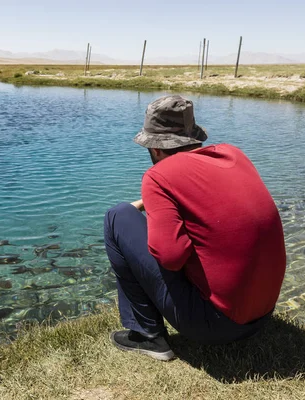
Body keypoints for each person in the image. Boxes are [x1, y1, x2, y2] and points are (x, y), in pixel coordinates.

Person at [104, 95, 286, 361]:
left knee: (117, 216)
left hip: (216, 326)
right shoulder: (234, 155)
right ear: (195, 137)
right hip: (262, 314)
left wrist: (147, 206)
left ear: (155, 149)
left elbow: (171, 258)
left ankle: (148, 336)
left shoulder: (158, 176)